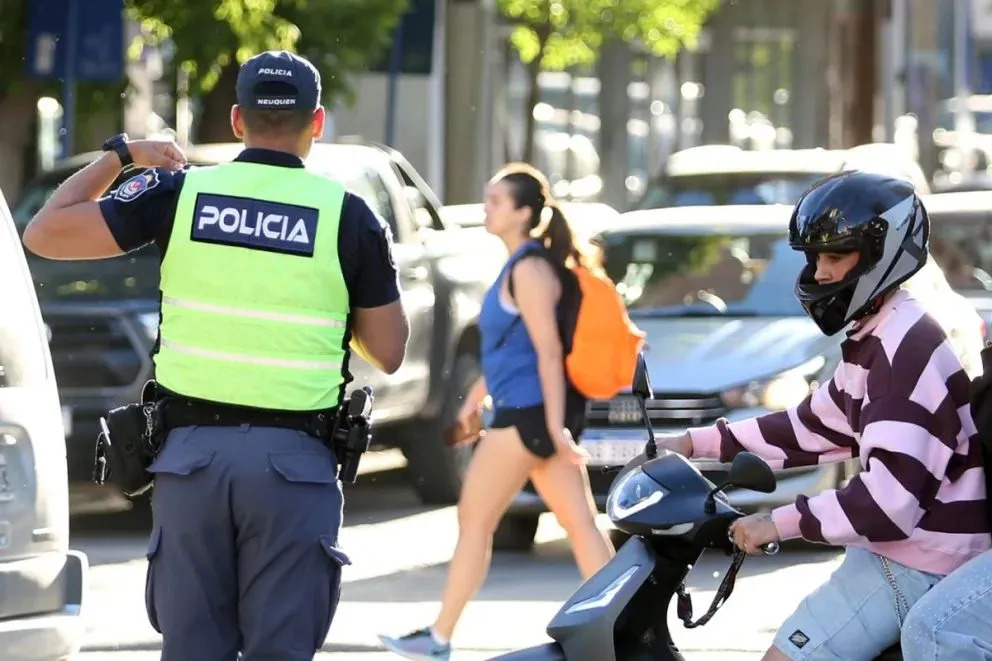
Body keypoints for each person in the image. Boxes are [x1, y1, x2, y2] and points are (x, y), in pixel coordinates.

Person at [22, 50, 409, 661]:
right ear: (317, 122)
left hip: (191, 465)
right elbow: (388, 351)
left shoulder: (182, 195)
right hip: (295, 468)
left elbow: (44, 231)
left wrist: (123, 156)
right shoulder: (348, 218)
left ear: (236, 119)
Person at [657, 171, 991, 661]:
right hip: (900, 554)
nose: (820, 273)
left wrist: (780, 523)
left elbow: (890, 501)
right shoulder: (879, 333)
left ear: (882, 253)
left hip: (926, 559)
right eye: (815, 258)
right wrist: (694, 444)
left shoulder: (907, 346)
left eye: (836, 256)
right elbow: (811, 426)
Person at [378, 163, 615, 660]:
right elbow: (517, 345)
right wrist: (479, 390)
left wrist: (554, 427)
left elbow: (548, 352)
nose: (486, 209)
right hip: (528, 415)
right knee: (581, 526)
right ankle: (624, 626)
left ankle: (438, 638)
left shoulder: (529, 269)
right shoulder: (521, 265)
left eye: (496, 202)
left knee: (475, 519)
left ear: (524, 213)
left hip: (526, 419)